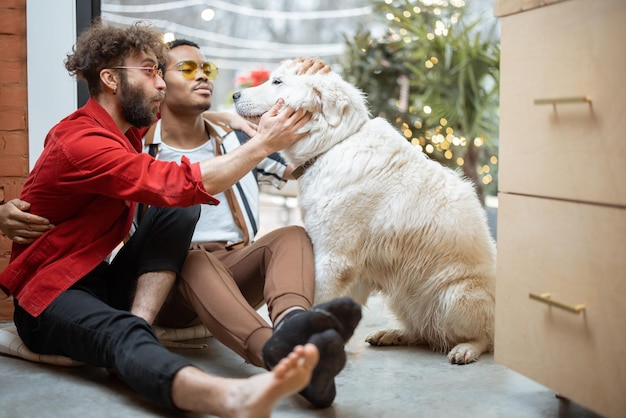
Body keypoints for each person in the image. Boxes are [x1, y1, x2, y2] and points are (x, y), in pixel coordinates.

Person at [0, 21, 320, 416]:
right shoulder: (81, 141)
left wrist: (235, 116)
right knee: (122, 328)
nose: (163, 84)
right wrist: (264, 143)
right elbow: (174, 181)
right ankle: (228, 397)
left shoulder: (126, 134)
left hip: (101, 280)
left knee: (180, 209)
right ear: (111, 80)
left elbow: (189, 121)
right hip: (48, 295)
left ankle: (143, 324)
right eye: (151, 70)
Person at [142, 39, 362, 408]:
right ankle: (278, 354)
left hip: (232, 268)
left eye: (207, 69)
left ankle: (294, 324)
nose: (203, 77)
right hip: (171, 282)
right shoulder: (141, 149)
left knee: (292, 235)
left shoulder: (237, 139)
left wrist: (313, 85)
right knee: (195, 259)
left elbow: (304, 165)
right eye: (188, 69)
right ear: (160, 82)